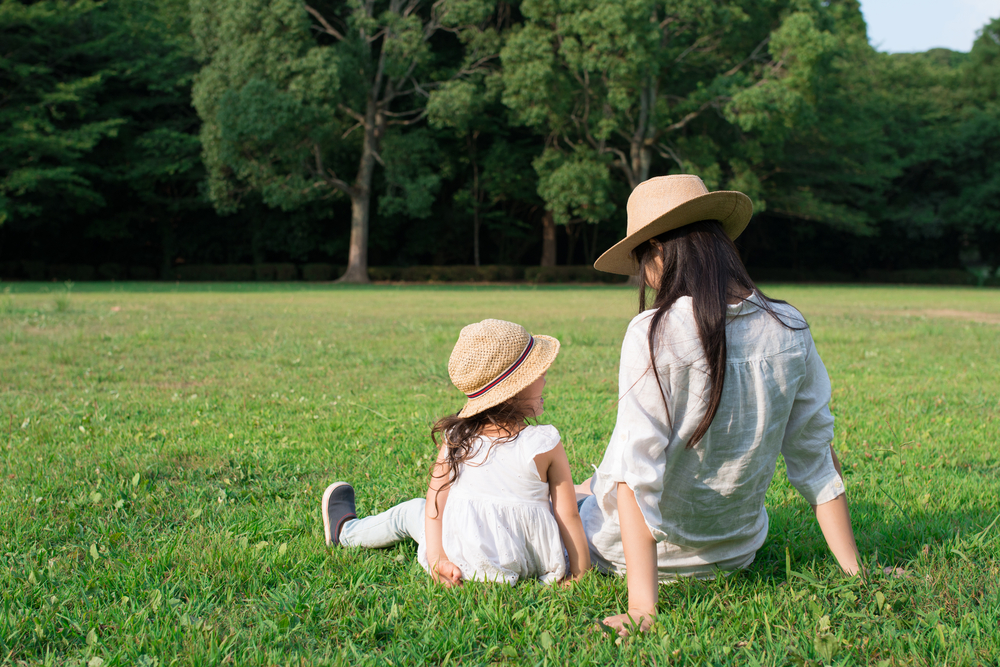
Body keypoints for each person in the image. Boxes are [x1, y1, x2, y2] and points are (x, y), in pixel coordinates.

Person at [578, 175, 861, 635]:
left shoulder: (653, 332)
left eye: (639, 260)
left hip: (629, 555)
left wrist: (642, 609)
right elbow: (816, 455)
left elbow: (636, 477)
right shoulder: (790, 325)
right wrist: (856, 572)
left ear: (657, 250)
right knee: (598, 477)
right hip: (737, 553)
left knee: (563, 495)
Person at [321, 318, 590, 586]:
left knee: (410, 512)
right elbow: (568, 515)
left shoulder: (456, 438)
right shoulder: (545, 442)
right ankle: (345, 532)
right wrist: (578, 573)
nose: (545, 379)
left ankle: (346, 531)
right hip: (534, 557)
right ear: (513, 391)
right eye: (538, 374)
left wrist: (438, 558)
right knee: (569, 496)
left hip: (467, 558)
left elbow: (435, 504)